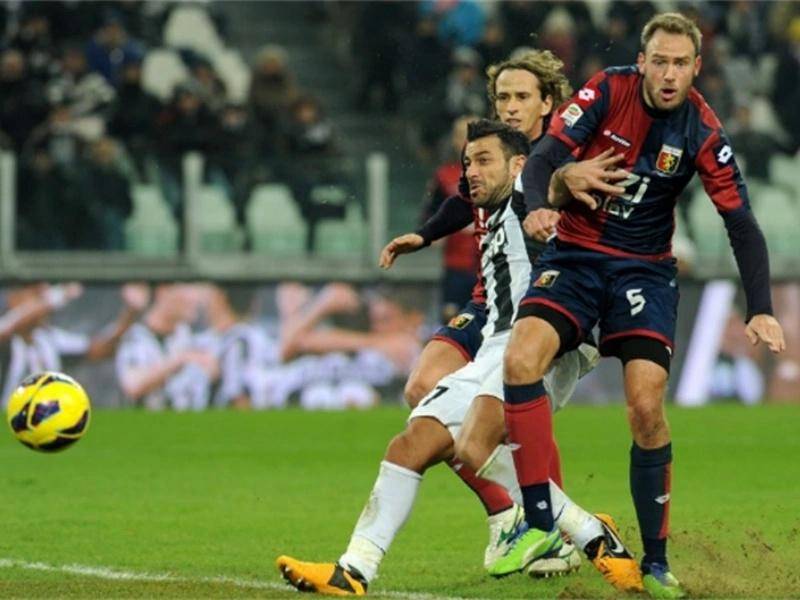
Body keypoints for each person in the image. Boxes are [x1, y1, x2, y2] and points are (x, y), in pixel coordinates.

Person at [276, 120, 638, 596]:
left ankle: (589, 535)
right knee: (410, 444)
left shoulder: (532, 197)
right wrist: (424, 235)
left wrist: (569, 177)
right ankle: (354, 570)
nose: (471, 172)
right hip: (493, 345)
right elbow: (459, 206)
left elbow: (559, 188)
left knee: (475, 445)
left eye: (484, 161)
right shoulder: (488, 208)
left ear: (519, 165)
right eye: (467, 163)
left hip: (537, 344)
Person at [493, 13, 786, 599]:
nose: (669, 74)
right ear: (643, 61)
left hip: (644, 271)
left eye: (681, 64)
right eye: (660, 62)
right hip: (576, 257)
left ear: (696, 67)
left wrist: (760, 307)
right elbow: (544, 156)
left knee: (646, 407)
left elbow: (741, 222)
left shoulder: (703, 129)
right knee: (520, 361)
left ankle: (655, 562)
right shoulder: (608, 89)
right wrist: (541, 204)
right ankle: (540, 526)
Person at [377, 51, 633, 584]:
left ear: (549, 103)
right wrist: (423, 235)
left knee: (514, 411)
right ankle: (508, 516)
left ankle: (551, 526)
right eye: (502, 98)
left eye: (522, 97)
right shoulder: (494, 155)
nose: (510, 107)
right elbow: (462, 202)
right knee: (422, 389)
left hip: (545, 304)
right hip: (489, 302)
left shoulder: (562, 159)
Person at [1, 283, 149, 406]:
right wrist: (56, 297)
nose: (43, 304)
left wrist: (130, 314)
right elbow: (9, 327)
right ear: (14, 299)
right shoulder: (8, 339)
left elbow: (102, 349)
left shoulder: (48, 340)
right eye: (37, 296)